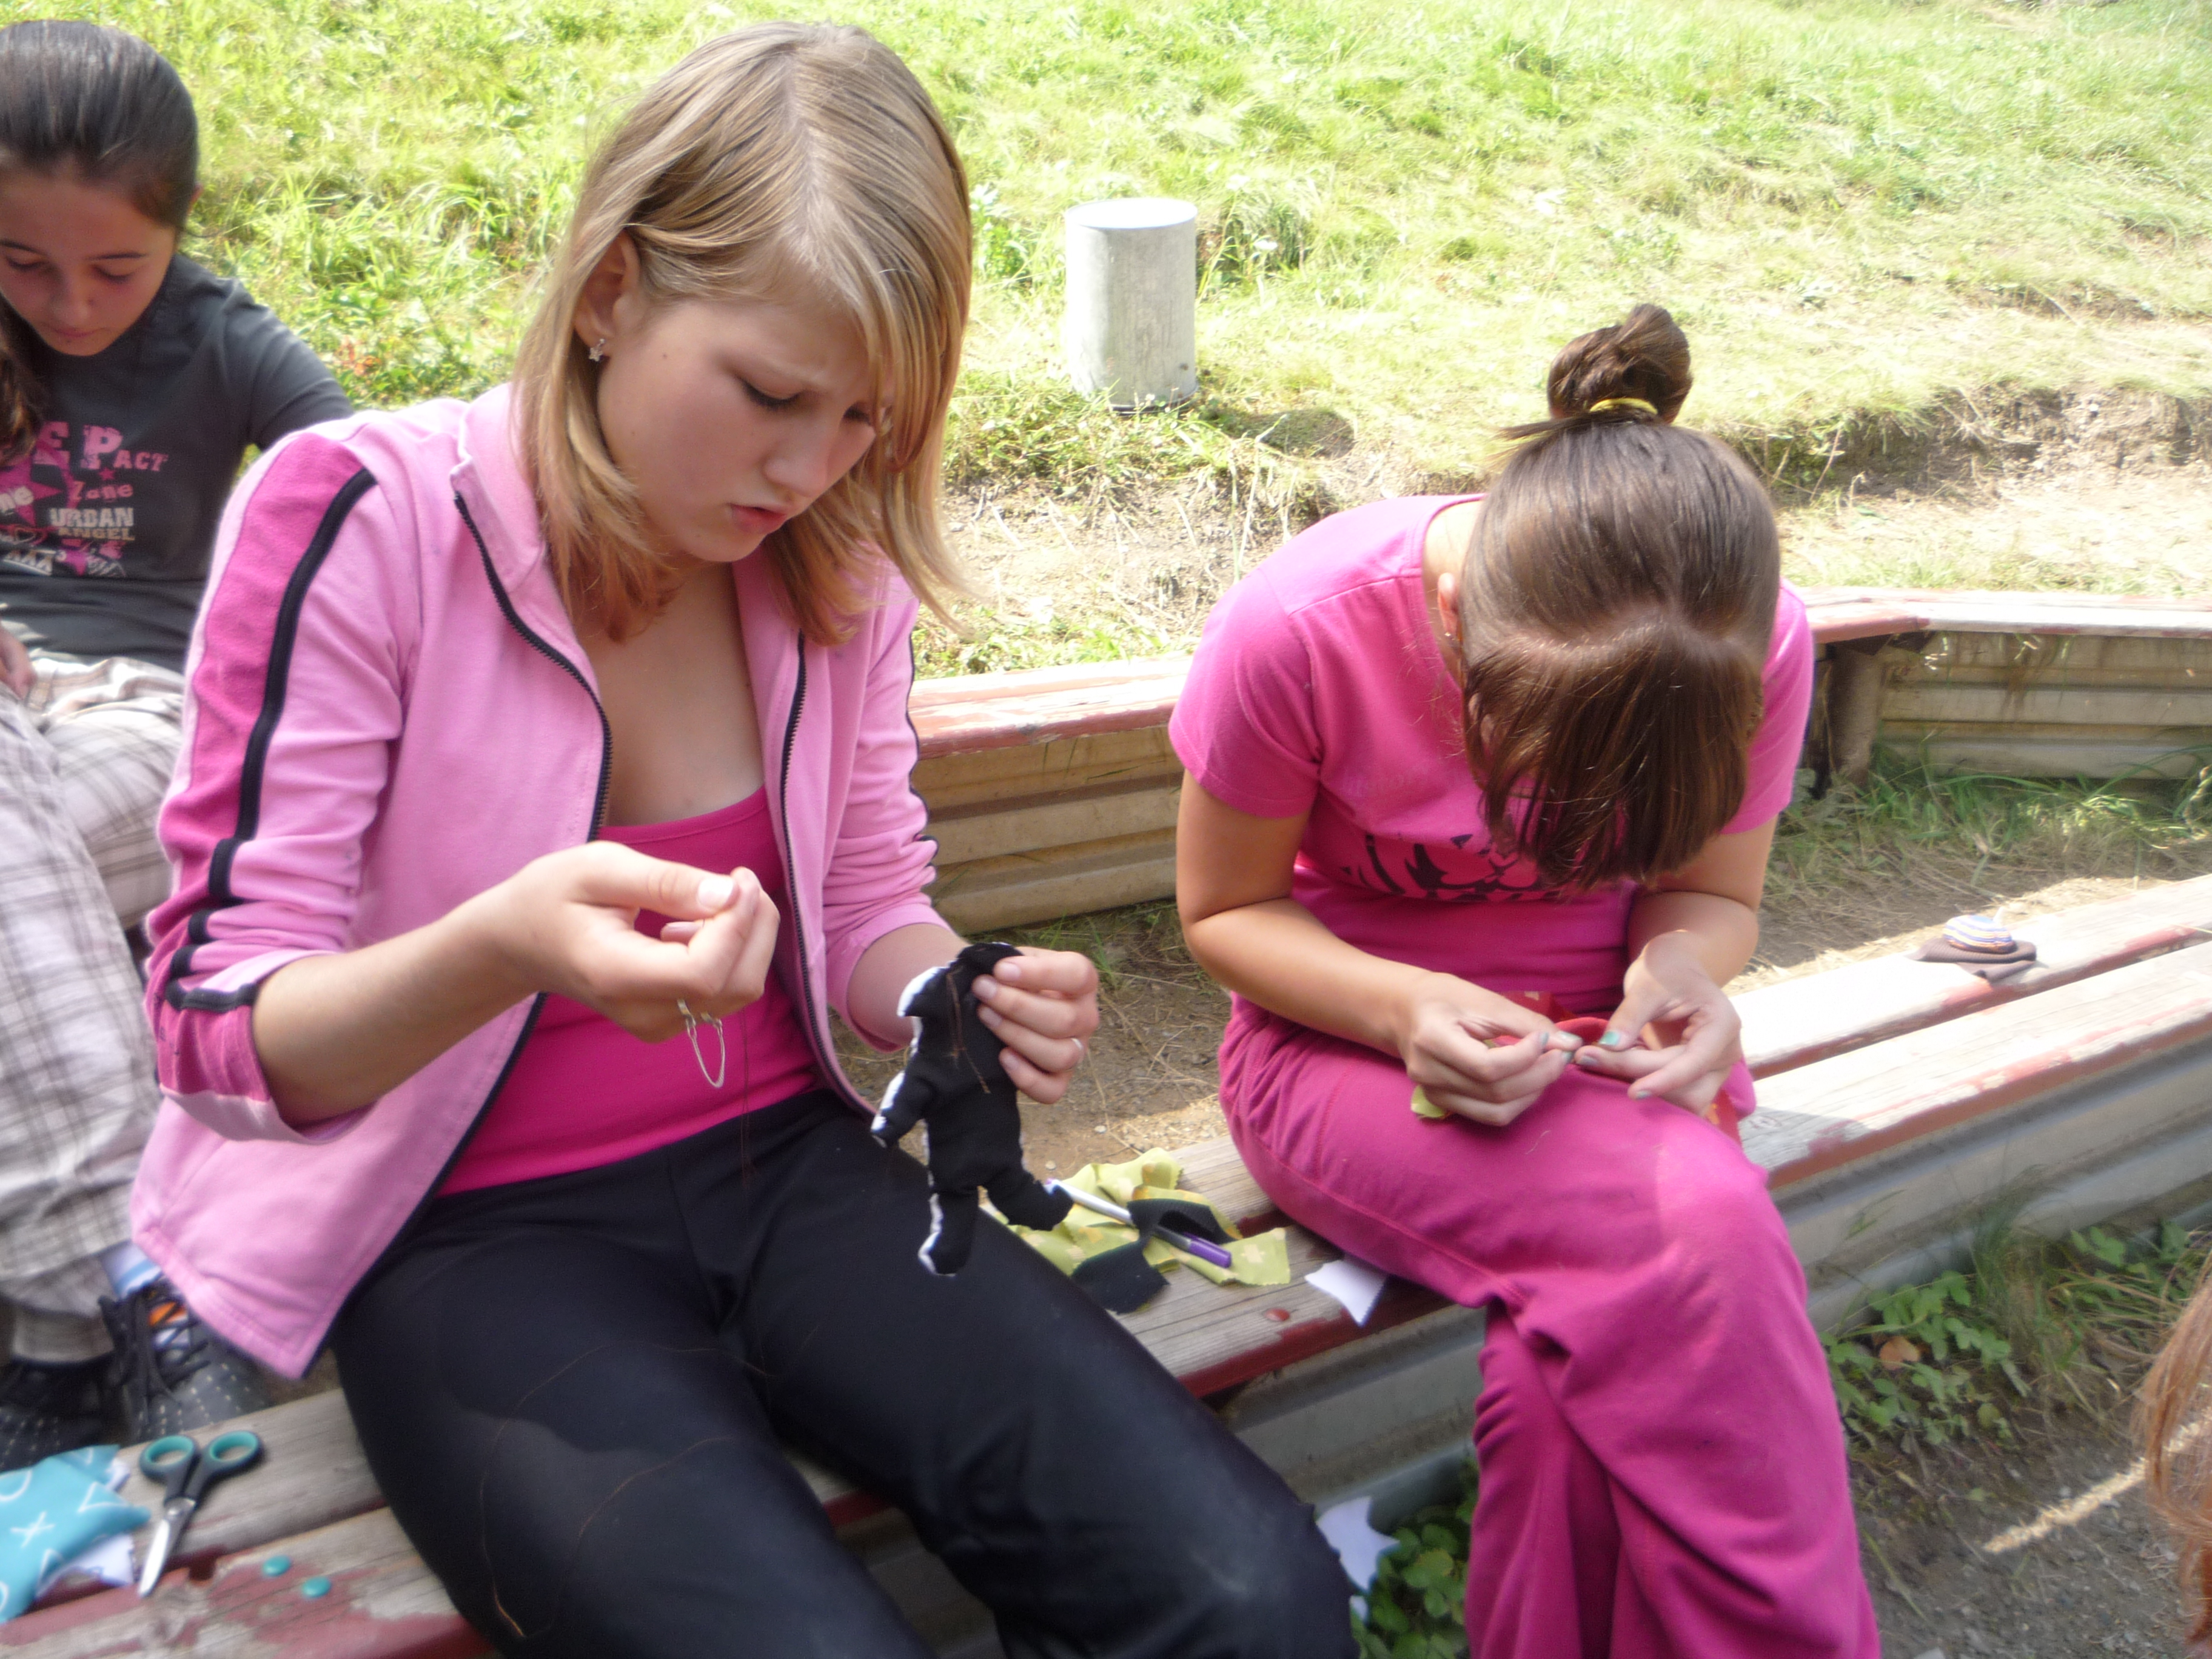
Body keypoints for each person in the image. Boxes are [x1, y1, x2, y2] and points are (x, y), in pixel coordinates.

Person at [133, 24, 1353, 1658]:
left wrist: (950, 987)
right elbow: (212, 1028)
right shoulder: (363, 516)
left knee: (1254, 1596)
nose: (810, 466)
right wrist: (506, 945)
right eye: (772, 394)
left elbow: (866, 900)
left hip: (792, 1174)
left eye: (866, 418)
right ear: (612, 291)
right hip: (471, 1240)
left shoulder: (837, 561)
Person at [1171, 306, 1882, 1656]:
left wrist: (1683, 968)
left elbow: (1712, 900)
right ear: (1453, 621)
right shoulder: (1303, 627)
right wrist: (1403, 1007)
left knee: (1569, 1407)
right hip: (1340, 1044)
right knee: (1696, 1232)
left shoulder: (1753, 642)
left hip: (1622, 1053)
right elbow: (1227, 915)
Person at [0, 18, 352, 1465]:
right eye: (23, 264)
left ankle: (56, 1318)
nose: (70, 304)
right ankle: (129, 1280)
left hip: (148, 719)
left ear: (180, 226)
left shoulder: (221, 342)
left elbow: (372, 491)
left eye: (116, 267)